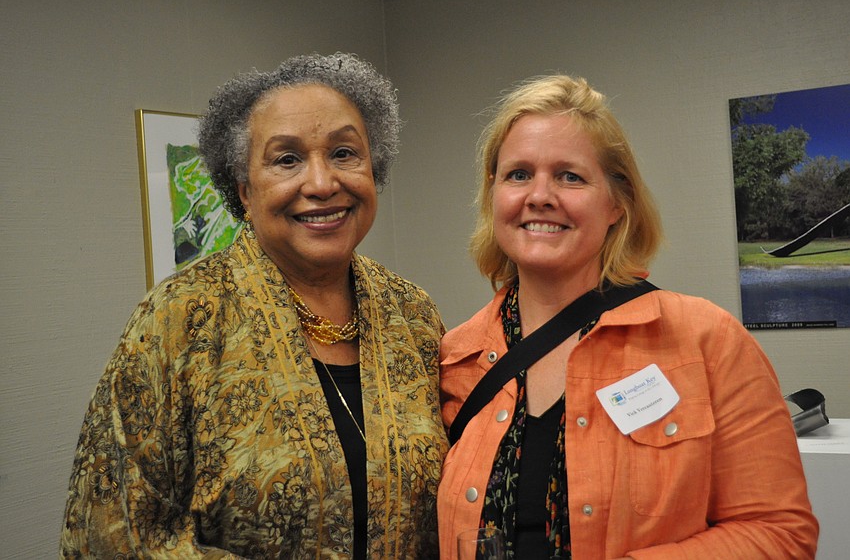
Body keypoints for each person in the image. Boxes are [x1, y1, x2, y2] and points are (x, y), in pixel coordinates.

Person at [60, 52, 448, 559]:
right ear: (244, 191)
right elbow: (106, 537)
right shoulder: (180, 319)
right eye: (287, 159)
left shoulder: (413, 315)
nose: (322, 183)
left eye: (344, 153)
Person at [437, 74, 818, 559]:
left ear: (617, 203)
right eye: (518, 174)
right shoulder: (455, 357)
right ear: (494, 195)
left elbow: (779, 533)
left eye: (570, 176)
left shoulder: (706, 340)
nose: (539, 195)